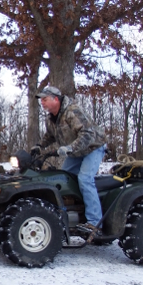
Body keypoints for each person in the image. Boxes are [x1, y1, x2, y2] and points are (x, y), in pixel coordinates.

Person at [33, 86, 106, 232]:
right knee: (64, 178)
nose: (42, 102)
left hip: (93, 148)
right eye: (41, 100)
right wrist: (39, 146)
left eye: (45, 99)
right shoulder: (51, 118)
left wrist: (70, 148)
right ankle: (72, 214)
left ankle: (95, 223)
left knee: (85, 179)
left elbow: (87, 134)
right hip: (76, 153)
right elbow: (50, 136)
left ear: (55, 99)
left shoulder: (72, 111)